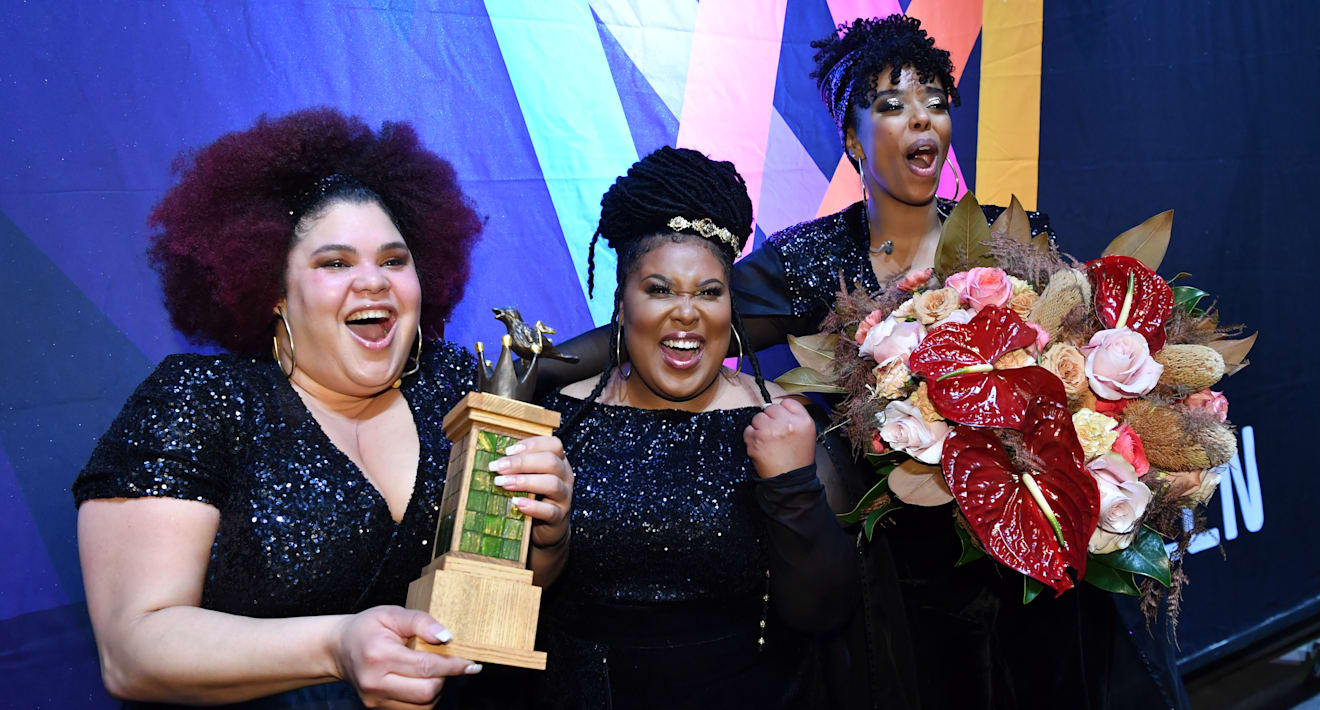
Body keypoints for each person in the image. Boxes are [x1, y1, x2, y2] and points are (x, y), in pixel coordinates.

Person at [543, 14, 1189, 710]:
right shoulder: (811, 259)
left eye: (935, 101)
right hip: (906, 592)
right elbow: (691, 318)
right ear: (852, 140)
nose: (922, 118)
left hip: (1026, 565)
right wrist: (537, 367)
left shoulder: (1013, 238)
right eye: (892, 104)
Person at [72, 108, 574, 709]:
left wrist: (548, 539)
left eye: (394, 260)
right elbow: (132, 651)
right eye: (336, 263)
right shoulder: (201, 400)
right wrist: (337, 646)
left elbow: (495, 597)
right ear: (274, 291)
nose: (374, 282)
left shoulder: (456, 388)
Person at [533, 147, 860, 709]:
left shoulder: (786, 422)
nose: (687, 312)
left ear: (731, 307)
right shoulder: (557, 422)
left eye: (709, 292)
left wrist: (792, 487)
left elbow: (827, 614)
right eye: (659, 289)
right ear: (622, 303)